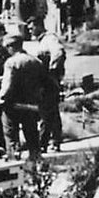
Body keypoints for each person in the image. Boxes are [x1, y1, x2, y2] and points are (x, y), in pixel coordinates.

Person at [0, 33, 46, 160]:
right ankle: (36, 159)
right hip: (30, 104)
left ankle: (14, 160)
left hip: (13, 105)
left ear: (11, 47)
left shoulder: (11, 62)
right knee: (31, 133)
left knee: (11, 135)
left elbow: (8, 84)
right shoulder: (36, 61)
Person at [33, 18, 66, 153]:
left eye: (32, 27)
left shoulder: (49, 39)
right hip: (46, 80)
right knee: (51, 112)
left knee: (46, 112)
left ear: (39, 26)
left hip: (48, 81)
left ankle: (45, 143)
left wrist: (51, 72)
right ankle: (54, 141)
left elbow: (58, 53)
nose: (30, 30)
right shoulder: (42, 41)